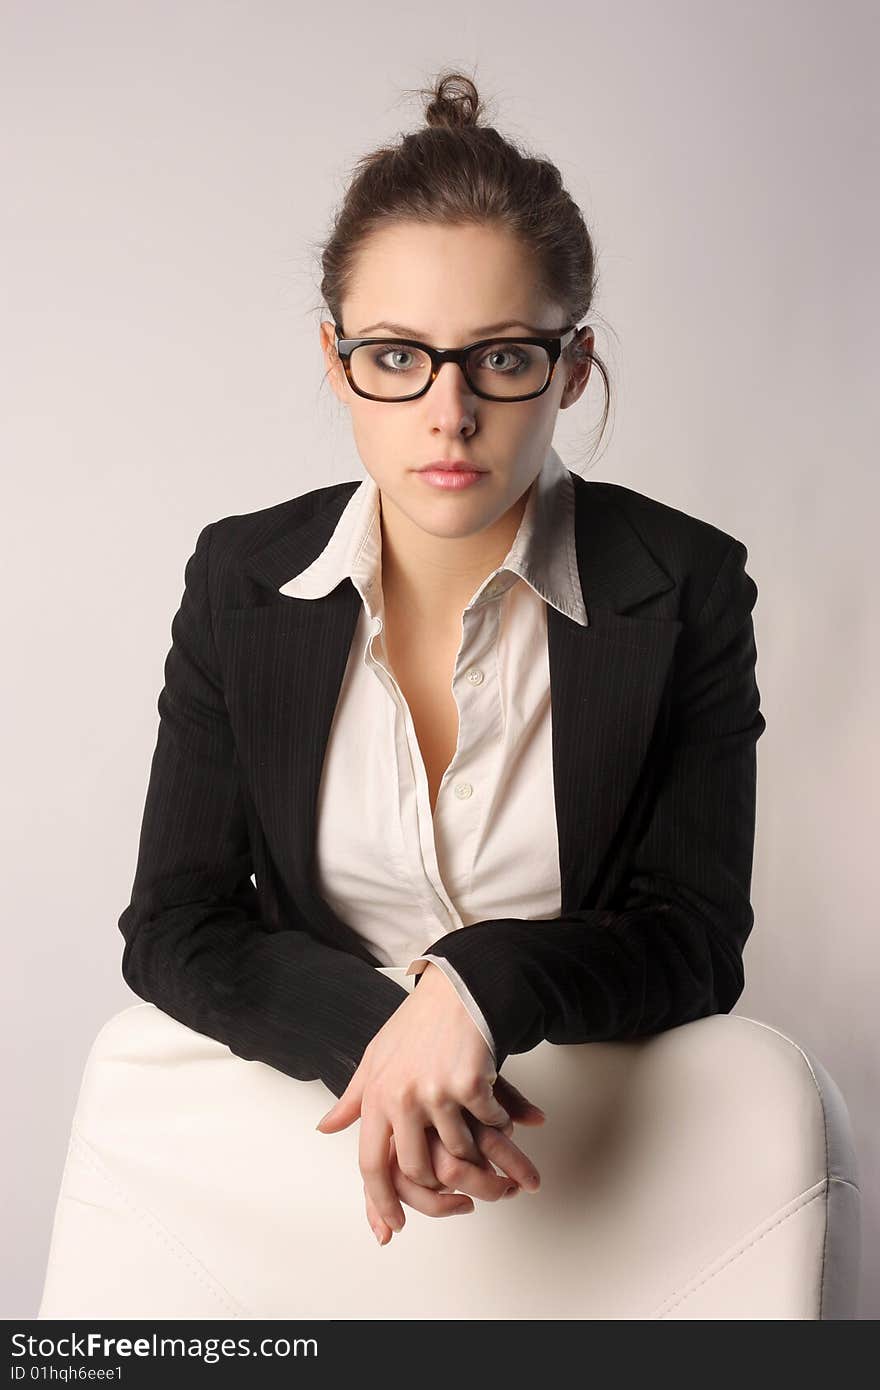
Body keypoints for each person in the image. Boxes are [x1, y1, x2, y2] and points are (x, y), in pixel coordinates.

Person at [118, 69, 766, 1254]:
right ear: (336, 359)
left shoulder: (686, 585)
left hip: (611, 1170)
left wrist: (475, 987)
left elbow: (694, 936)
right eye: (397, 356)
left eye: (502, 359)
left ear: (570, 367)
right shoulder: (239, 578)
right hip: (309, 1152)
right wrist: (384, 1041)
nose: (448, 412)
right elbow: (174, 922)